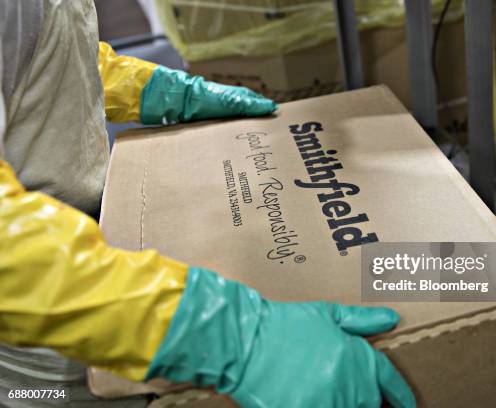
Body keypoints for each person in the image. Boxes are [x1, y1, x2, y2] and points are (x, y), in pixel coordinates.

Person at [0, 1, 416, 407]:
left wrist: (145, 87)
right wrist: (225, 332)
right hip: (49, 332)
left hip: (96, 251)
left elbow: (30, 50)